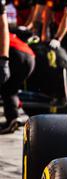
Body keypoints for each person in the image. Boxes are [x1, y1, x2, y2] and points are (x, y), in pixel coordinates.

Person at [0, 0, 35, 134]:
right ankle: (14, 118)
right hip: (29, 57)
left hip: (18, 56)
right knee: (9, 89)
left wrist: (4, 60)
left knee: (6, 87)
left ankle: (13, 117)